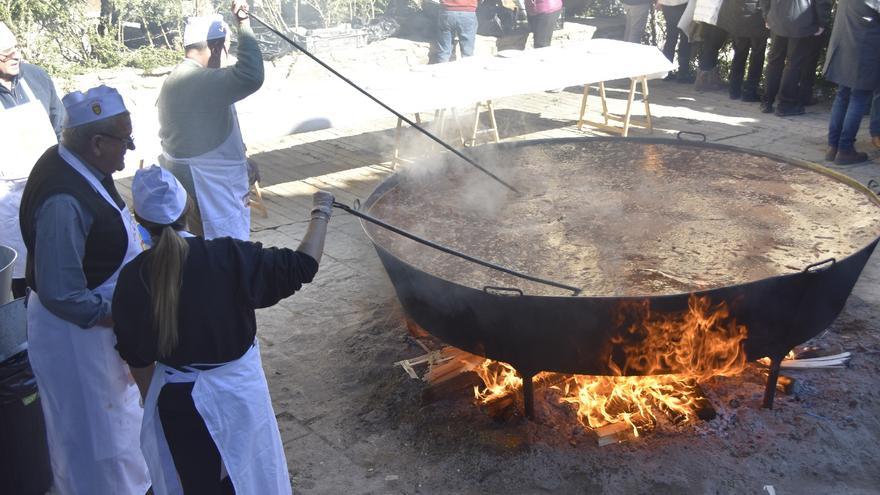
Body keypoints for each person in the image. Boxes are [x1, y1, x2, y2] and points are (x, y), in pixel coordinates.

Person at [112, 165, 332, 494]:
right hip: (239, 397)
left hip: (178, 403)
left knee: (197, 483)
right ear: (188, 208)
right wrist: (321, 211)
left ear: (138, 221)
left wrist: (153, 401)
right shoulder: (229, 255)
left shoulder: (134, 277)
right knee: (255, 477)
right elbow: (304, 265)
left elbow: (137, 356)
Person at [18, 84, 150, 494]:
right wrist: (123, 316)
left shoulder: (80, 164)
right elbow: (62, 293)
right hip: (77, 340)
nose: (130, 148)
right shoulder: (63, 199)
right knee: (98, 440)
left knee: (117, 430)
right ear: (96, 143)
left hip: (96, 329)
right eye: (124, 140)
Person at [158, 0, 263, 241]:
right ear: (217, 47)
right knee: (221, 256)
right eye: (228, 48)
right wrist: (243, 23)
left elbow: (203, 134)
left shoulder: (183, 77)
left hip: (206, 181)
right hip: (207, 190)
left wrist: (241, 160)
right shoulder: (196, 80)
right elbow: (251, 76)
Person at [0, 21, 64, 298]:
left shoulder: (37, 77)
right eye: (5, 53)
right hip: (7, 199)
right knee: (19, 271)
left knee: (58, 253)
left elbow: (60, 124)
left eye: (15, 48)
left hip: (49, 184)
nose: (15, 56)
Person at [821, 0, 880, 165]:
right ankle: (845, 149)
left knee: (843, 95)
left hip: (845, 45)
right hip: (864, 48)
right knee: (859, 97)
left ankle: (833, 146)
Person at [759, 0, 832, 116]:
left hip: (778, 17)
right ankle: (785, 104)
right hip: (802, 21)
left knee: (775, 60)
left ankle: (767, 101)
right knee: (794, 64)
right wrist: (822, 22)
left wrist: (767, 13)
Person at [716, 0, 769, 101]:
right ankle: (750, 91)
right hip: (758, 17)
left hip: (739, 14)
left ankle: (734, 90)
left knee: (739, 54)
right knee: (757, 56)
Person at [658, 0, 695, 83]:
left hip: (666, 3)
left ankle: (666, 72)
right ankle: (683, 73)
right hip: (683, 3)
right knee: (685, 37)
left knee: (671, 37)